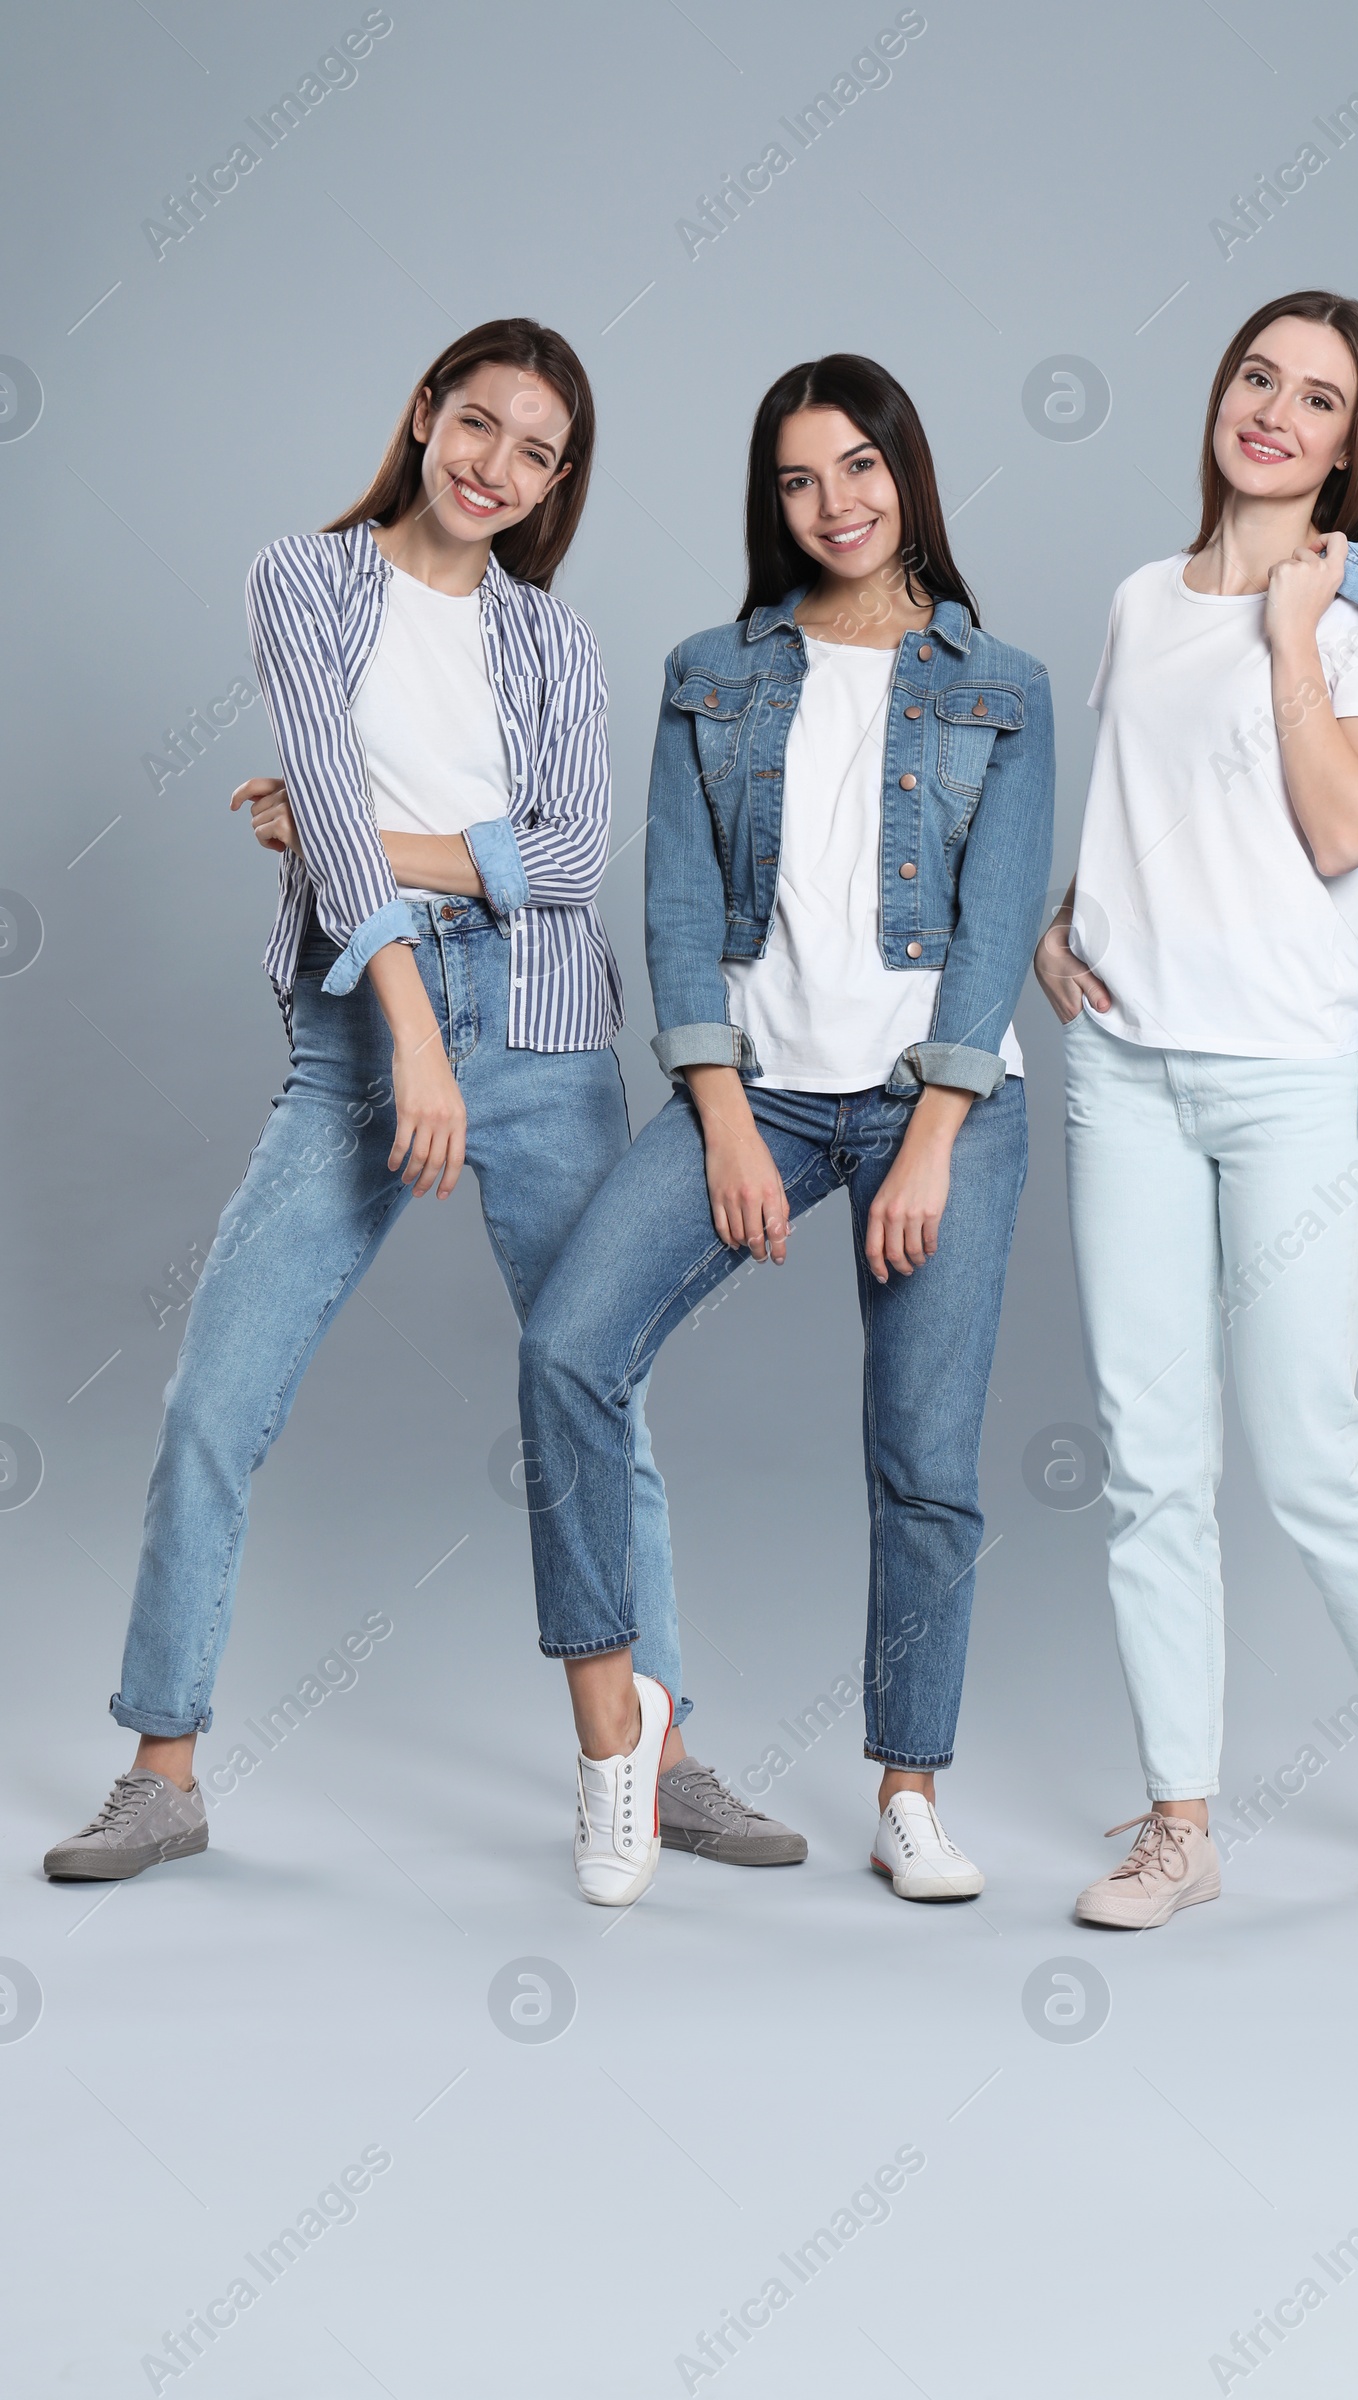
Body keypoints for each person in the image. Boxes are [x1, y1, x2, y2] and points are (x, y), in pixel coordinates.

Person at [45, 317, 802, 1882]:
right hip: (360, 1030)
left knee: (601, 1395)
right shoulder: (301, 580)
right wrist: (407, 1000)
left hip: (539, 1030)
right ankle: (164, 1769)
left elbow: (569, 860)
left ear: (557, 480)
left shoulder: (554, 641)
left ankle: (657, 1754)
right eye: (477, 425)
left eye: (534, 452)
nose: (494, 468)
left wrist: (350, 840)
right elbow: (335, 781)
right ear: (422, 414)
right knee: (212, 1400)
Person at [519, 354, 1055, 1906]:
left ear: (910, 472)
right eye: (799, 479)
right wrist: (724, 1122)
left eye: (861, 468)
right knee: (568, 1349)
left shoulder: (997, 685)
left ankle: (909, 1789)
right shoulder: (713, 672)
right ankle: (621, 1737)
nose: (835, 504)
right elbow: (676, 909)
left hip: (933, 1106)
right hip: (749, 1090)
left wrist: (939, 1133)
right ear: (773, 500)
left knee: (923, 1461)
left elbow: (998, 914)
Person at [1034, 291, 1358, 1930]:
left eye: (1318, 400)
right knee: (1152, 1466)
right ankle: (1179, 1823)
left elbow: (1328, 839)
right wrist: (1061, 918)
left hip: (1295, 1082)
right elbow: (1148, 814)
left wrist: (1292, 638)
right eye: (1258, 379)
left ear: (1353, 445)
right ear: (1221, 396)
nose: (1277, 415)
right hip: (1127, 1072)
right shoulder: (1138, 600)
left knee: (1307, 1444)